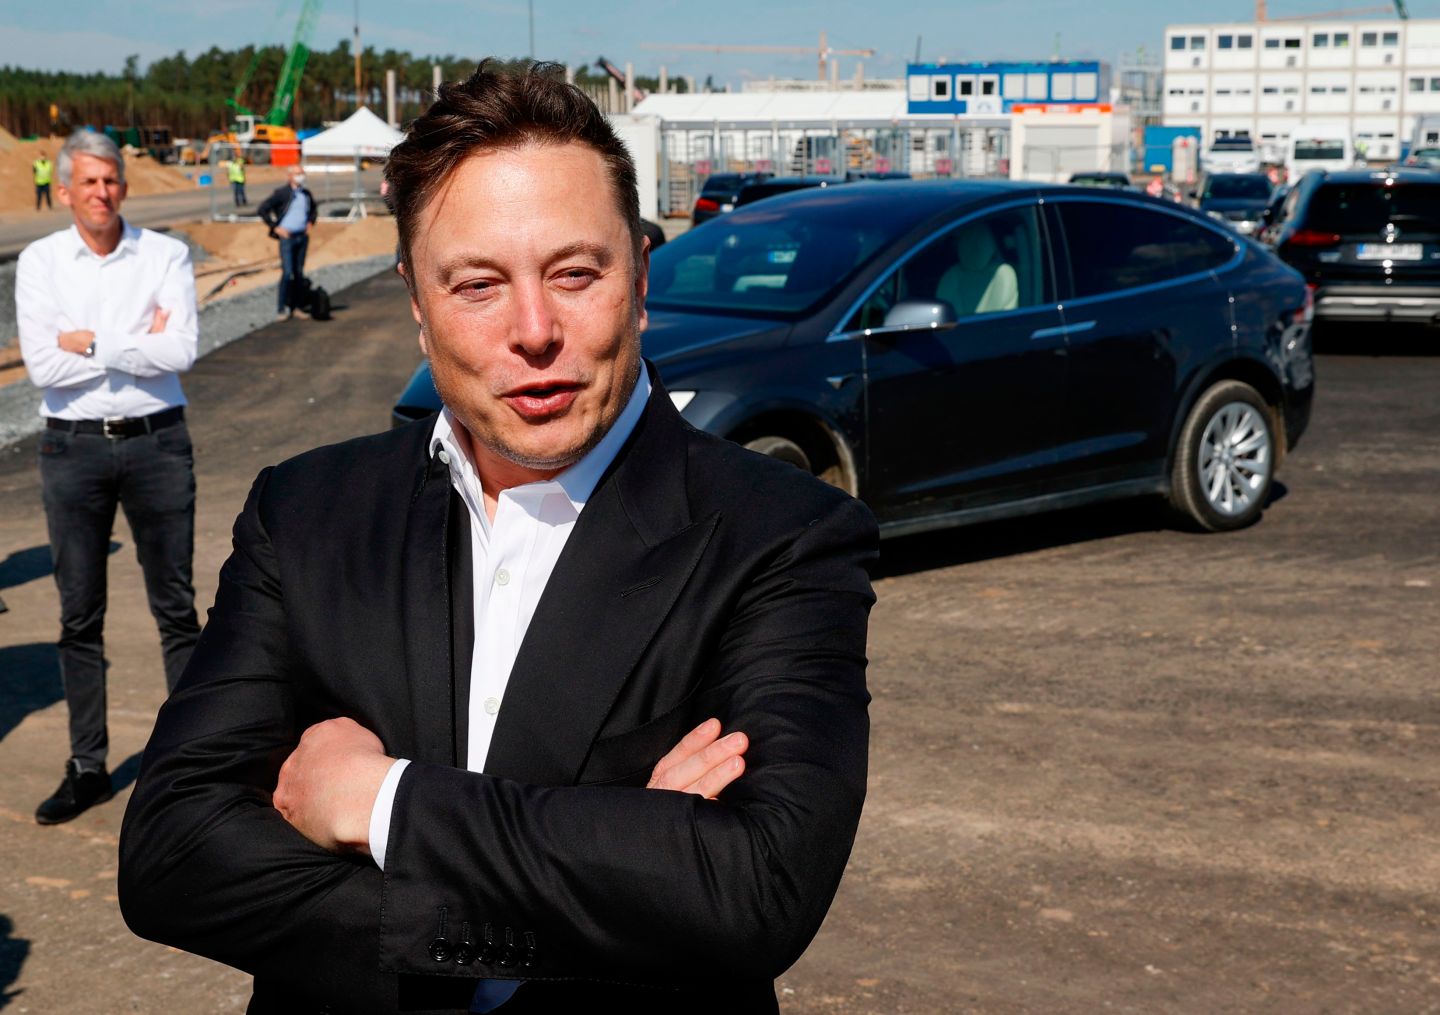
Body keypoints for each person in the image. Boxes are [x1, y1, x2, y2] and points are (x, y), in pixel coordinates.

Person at [119, 62, 876, 1013]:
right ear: (417, 303)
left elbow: (754, 886)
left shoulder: (783, 536)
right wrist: (623, 848)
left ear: (640, 279)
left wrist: (380, 801)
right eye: (477, 284)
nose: (534, 330)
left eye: (574, 274)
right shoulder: (306, 515)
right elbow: (172, 851)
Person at [16, 131, 200, 825]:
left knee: (177, 608)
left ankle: (189, 765)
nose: (102, 192)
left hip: (158, 445)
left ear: (124, 185)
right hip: (73, 451)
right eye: (88, 182)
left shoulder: (166, 254)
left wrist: (90, 339)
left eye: (111, 180)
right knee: (78, 614)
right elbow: (43, 368)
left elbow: (181, 348)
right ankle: (88, 766)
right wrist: (137, 345)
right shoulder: (39, 263)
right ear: (64, 189)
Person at [257, 164, 316, 321]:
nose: (300, 176)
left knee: (298, 272)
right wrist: (275, 227)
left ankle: (297, 306)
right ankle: (282, 308)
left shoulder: (305, 194)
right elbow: (263, 209)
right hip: (287, 238)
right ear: (289, 176)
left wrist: (311, 222)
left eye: (302, 173)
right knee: (287, 272)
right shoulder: (281, 193)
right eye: (297, 173)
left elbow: (313, 210)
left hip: (301, 237)